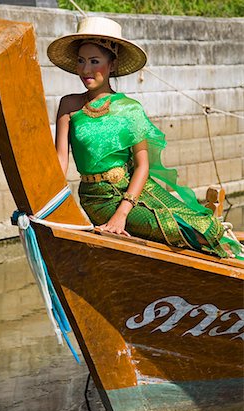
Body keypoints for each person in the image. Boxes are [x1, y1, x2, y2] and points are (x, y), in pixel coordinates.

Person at [47, 16, 243, 260]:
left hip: (135, 190)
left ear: (112, 65)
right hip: (98, 199)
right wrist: (42, 204)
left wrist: (123, 214)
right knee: (187, 231)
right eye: (81, 61)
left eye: (94, 61)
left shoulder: (131, 109)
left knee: (207, 228)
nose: (86, 70)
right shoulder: (69, 105)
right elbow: (60, 161)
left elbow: (142, 166)